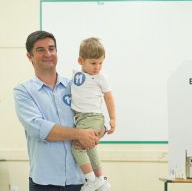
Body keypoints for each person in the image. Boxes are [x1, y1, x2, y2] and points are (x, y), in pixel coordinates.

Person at [13, 31, 107, 191]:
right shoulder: (23, 91)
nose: (48, 54)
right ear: (30, 56)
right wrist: (80, 134)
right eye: (40, 50)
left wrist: (100, 131)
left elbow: (93, 113)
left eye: (51, 48)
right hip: (44, 182)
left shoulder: (75, 85)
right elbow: (39, 128)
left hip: (80, 180)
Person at [71, 38, 116, 191]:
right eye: (93, 63)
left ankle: (91, 180)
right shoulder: (75, 74)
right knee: (90, 147)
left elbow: (109, 97)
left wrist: (113, 118)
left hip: (92, 117)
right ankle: (101, 179)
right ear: (80, 60)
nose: (97, 67)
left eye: (100, 63)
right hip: (82, 118)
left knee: (77, 147)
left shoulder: (101, 78)